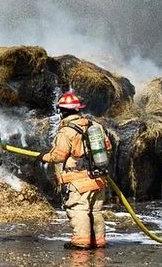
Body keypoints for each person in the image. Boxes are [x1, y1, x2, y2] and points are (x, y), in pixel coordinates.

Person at [39, 91, 113, 250]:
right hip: (98, 177)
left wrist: (43, 156)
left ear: (62, 111)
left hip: (78, 180)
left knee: (79, 209)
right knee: (95, 211)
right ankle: (98, 241)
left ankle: (81, 242)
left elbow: (58, 156)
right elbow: (108, 147)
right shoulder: (95, 126)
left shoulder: (66, 131)